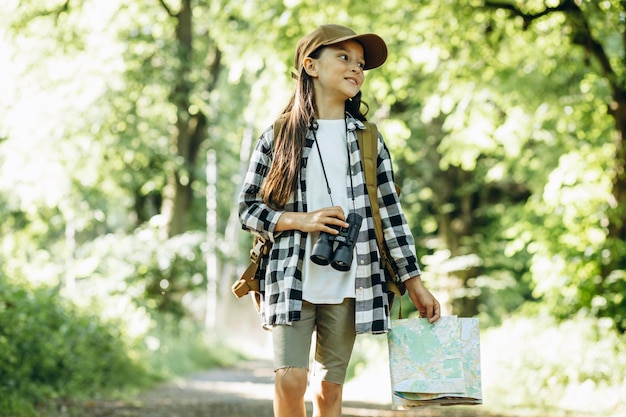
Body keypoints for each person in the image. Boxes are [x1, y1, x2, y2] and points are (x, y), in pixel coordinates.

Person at [238, 24, 441, 417]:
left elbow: (391, 216)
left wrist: (414, 283)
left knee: (329, 390)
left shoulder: (369, 139)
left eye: (360, 63)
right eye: (344, 58)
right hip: (290, 274)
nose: (356, 69)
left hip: (352, 279)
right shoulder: (279, 136)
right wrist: (302, 220)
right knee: (290, 379)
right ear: (310, 66)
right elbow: (248, 208)